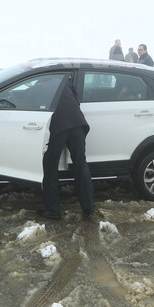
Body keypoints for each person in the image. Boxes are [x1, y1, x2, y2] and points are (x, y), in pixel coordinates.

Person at [40, 75, 94, 220]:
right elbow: (76, 101)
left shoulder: (39, 83)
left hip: (58, 127)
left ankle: (53, 210)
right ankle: (89, 209)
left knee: (50, 166)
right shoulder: (65, 82)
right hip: (78, 123)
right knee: (81, 164)